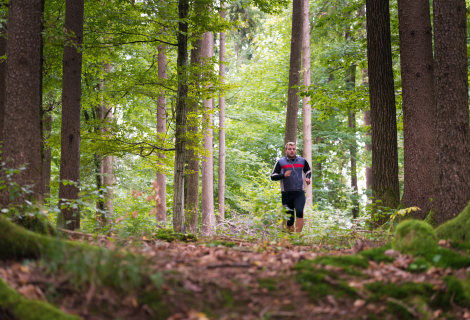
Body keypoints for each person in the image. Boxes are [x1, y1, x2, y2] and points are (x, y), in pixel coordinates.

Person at [270, 142, 312, 233]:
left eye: (293, 149)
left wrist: (308, 178)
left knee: (300, 212)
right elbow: (273, 176)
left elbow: (308, 170)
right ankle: (291, 239)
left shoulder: (302, 161)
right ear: (286, 150)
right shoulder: (280, 162)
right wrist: (283, 175)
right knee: (290, 219)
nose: (292, 151)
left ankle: (297, 236)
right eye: (289, 149)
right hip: (286, 194)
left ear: (295, 150)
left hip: (299, 193)